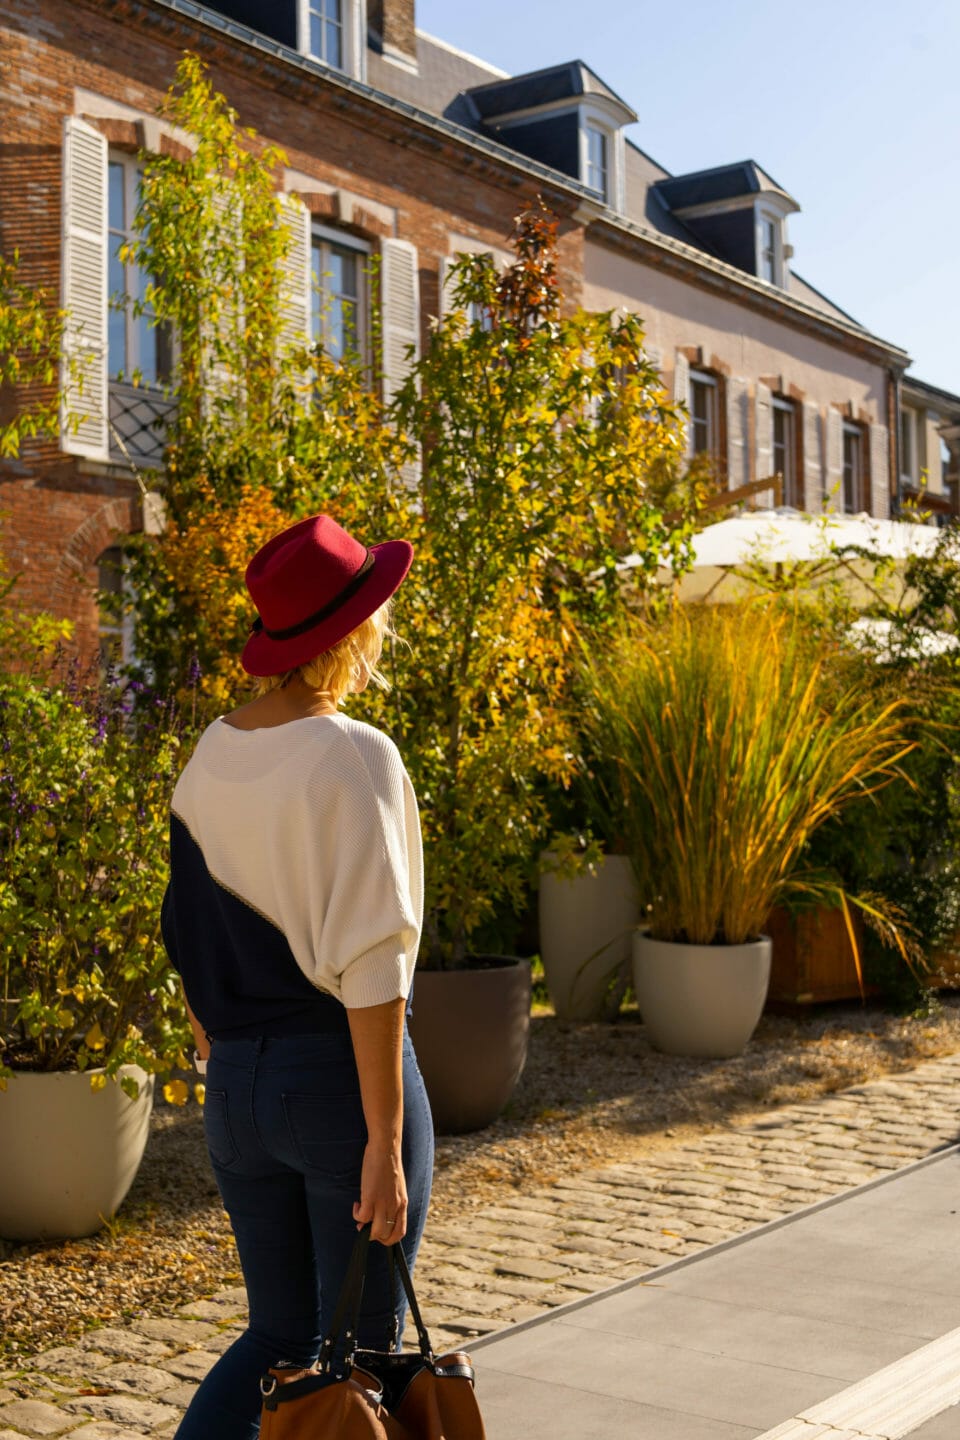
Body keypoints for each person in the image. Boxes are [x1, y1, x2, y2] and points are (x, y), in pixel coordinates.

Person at [160, 513, 433, 1440]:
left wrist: (222, 1048)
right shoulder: (353, 755)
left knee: (276, 1337)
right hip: (336, 1085)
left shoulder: (210, 754)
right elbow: (372, 963)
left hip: (237, 1086)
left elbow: (187, 926)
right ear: (354, 630)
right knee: (355, 1360)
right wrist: (386, 1143)